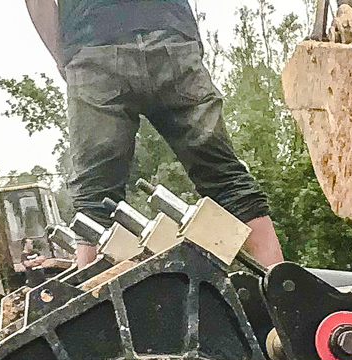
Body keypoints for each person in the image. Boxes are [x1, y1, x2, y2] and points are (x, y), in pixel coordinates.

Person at [24, 0, 285, 268]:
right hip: (169, 31)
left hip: (92, 40)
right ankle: (283, 286)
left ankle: (94, 292)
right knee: (226, 179)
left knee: (95, 204)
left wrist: (63, 56)